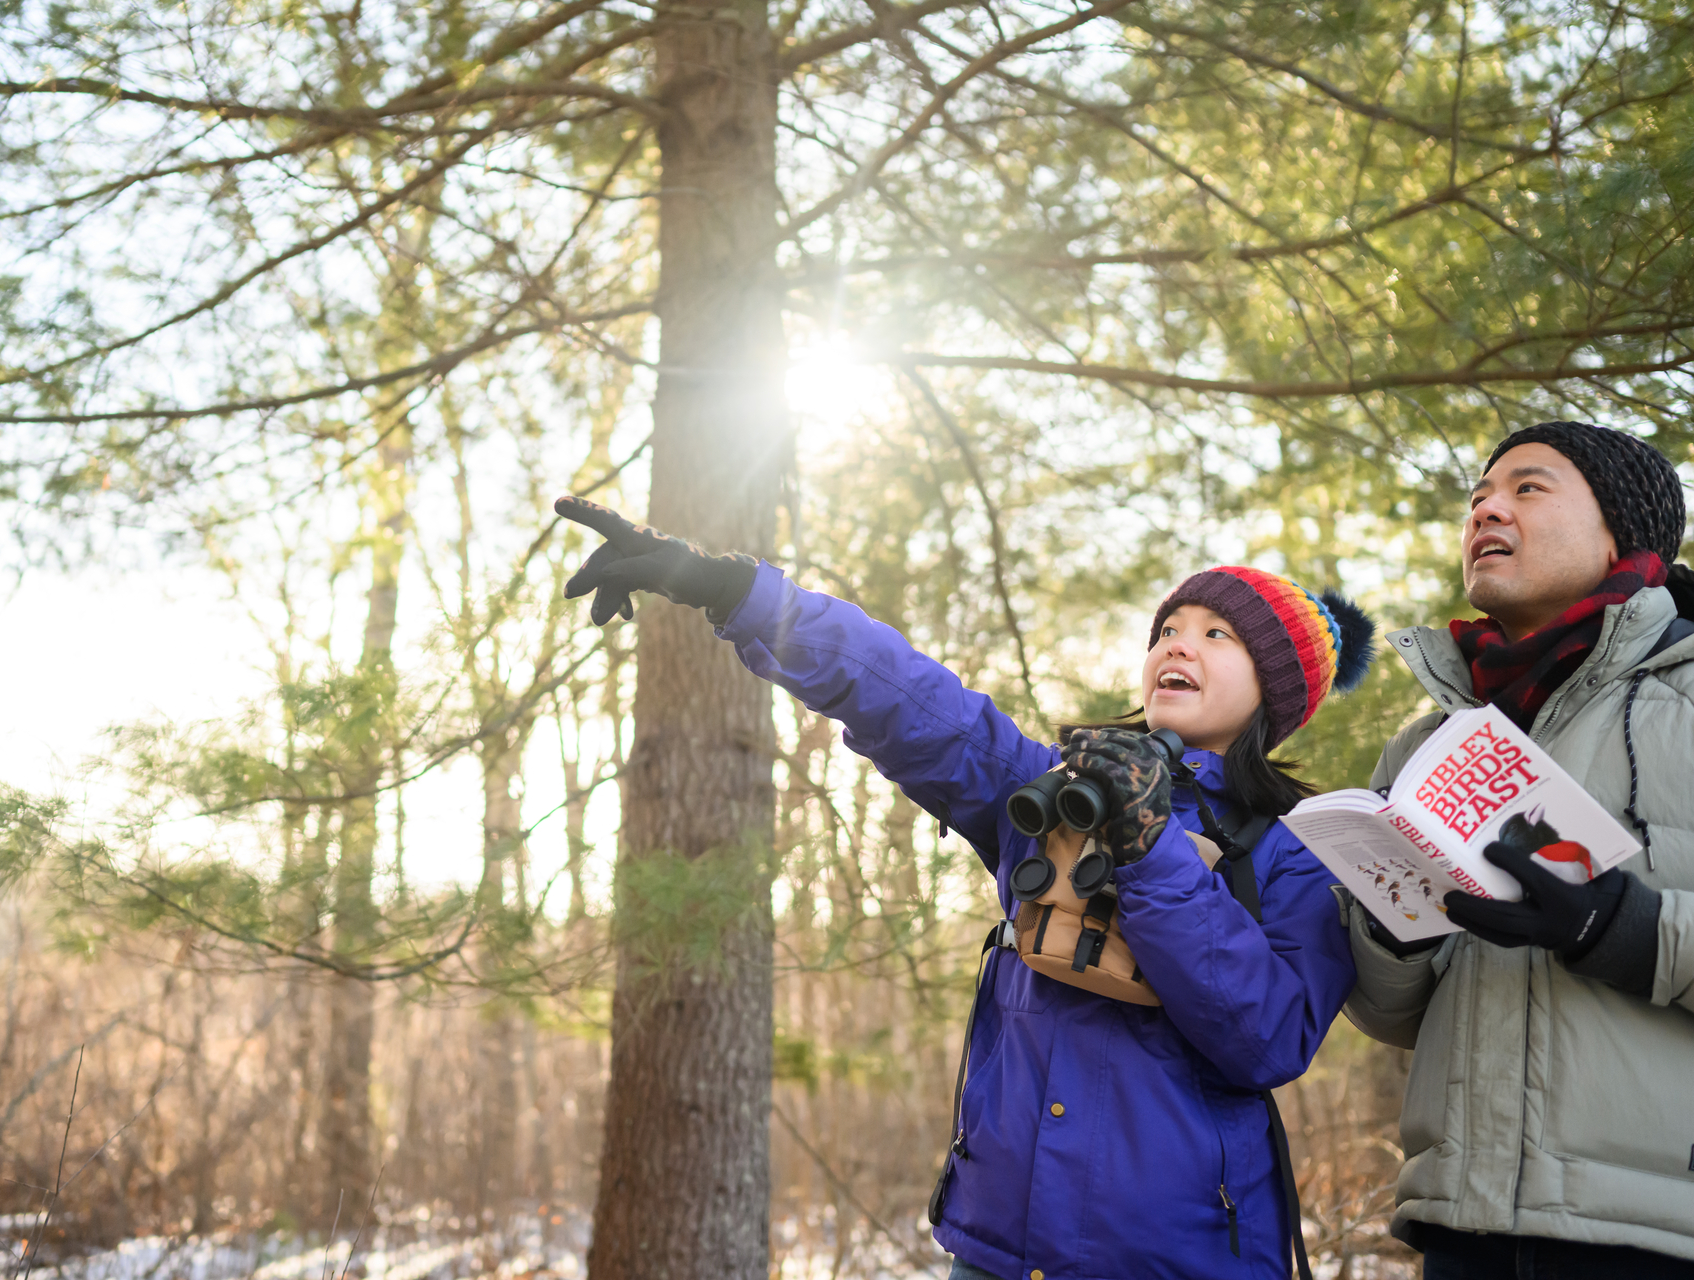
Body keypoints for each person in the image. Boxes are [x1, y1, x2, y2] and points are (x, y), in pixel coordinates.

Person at [554, 495, 1373, 1280]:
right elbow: (906, 697)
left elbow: (1267, 1037)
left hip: (1175, 1259)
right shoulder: (1053, 791)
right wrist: (729, 588)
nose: (1177, 645)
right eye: (1168, 629)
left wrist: (1152, 848)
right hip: (999, 1249)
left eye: (1217, 634)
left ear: (1275, 689)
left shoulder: (1299, 849)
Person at [1344, 421, 1694, 1278]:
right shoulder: (1426, 743)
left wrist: (1622, 929)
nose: (1486, 510)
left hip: (1658, 1235)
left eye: (1527, 488)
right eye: (1477, 499)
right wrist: (1398, 930)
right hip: (1461, 1229)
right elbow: (1390, 1016)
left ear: (1622, 529)